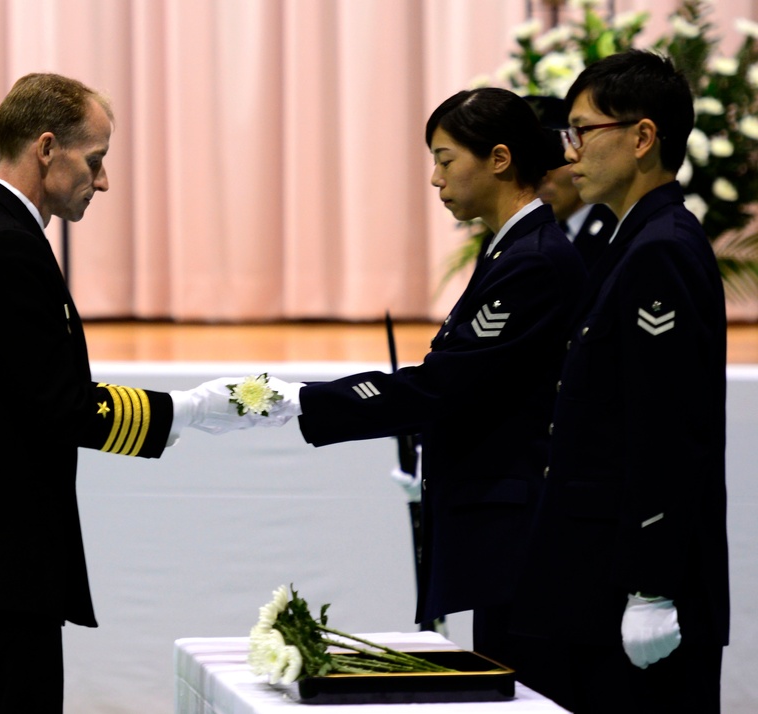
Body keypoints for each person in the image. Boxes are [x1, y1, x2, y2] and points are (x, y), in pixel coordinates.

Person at [0, 73, 279, 713]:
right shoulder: (2, 246)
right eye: (96, 159)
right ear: (47, 147)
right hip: (1, 568)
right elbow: (63, 405)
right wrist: (193, 409)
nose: (103, 181)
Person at [268, 87, 587, 670]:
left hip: (522, 530)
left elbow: (446, 384)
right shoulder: (511, 249)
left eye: (445, 161)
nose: (436, 180)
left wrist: (301, 401)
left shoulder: (533, 259)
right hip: (504, 522)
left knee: (526, 686)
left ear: (498, 159)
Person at [510, 50, 729, 713]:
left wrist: (651, 586)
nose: (568, 150)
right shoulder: (633, 239)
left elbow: (666, 427)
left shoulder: (660, 249)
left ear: (641, 137)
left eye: (582, 130)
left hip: (630, 585)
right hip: (595, 577)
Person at [528, 96, 618, 269]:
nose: (539, 175)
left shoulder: (618, 230)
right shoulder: (514, 239)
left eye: (552, 157)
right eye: (526, 162)